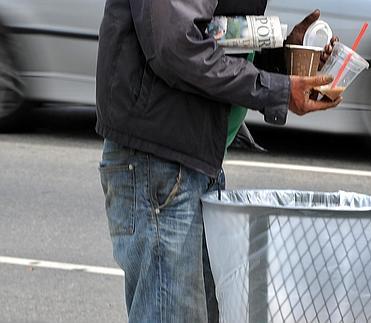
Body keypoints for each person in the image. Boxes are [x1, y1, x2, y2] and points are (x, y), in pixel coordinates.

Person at [95, 0, 341, 322]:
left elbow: (215, 34)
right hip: (161, 165)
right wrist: (274, 90)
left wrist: (283, 56)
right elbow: (176, 46)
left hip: (188, 162)